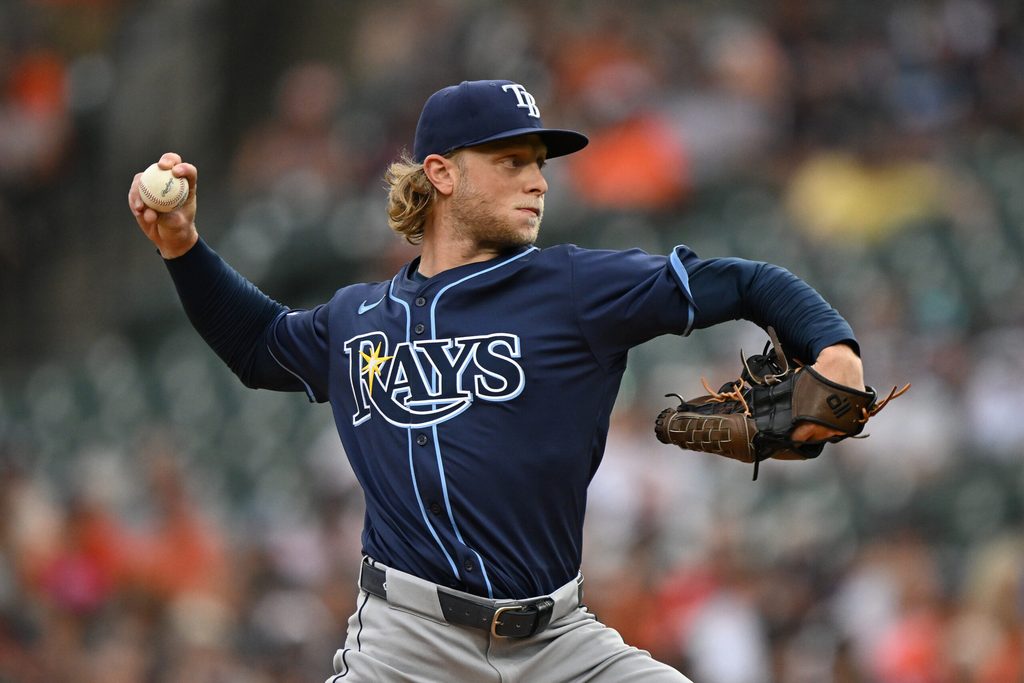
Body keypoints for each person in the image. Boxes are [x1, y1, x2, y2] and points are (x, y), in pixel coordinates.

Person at [128, 79, 864, 682]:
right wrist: (184, 248)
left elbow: (742, 280)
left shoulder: (573, 285)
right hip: (407, 648)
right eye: (510, 161)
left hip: (559, 644)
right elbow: (258, 344)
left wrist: (833, 348)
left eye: (539, 163)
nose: (537, 181)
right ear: (442, 173)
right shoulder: (356, 319)